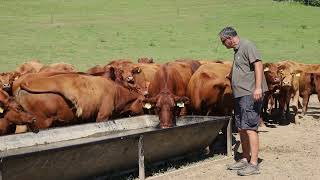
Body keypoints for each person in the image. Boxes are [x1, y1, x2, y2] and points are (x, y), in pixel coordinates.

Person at [219, 27, 268, 176]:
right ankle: (245, 158)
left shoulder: (248, 45)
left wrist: (258, 87)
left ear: (229, 38)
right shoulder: (237, 51)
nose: (223, 44)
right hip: (240, 95)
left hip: (250, 94)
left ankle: (253, 164)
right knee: (241, 127)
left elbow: (258, 65)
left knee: (250, 127)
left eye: (223, 41)